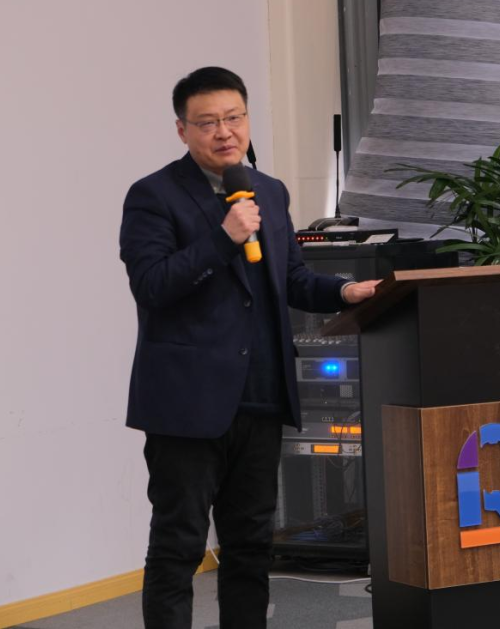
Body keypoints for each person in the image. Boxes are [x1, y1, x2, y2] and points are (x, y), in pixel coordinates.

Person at [119, 67, 379, 629]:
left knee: (251, 546)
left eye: (234, 117)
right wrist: (223, 237)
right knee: (179, 545)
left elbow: (291, 279)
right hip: (187, 405)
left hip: (260, 395)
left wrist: (344, 291)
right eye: (208, 122)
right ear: (182, 130)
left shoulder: (269, 190)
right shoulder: (152, 196)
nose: (224, 132)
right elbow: (153, 285)